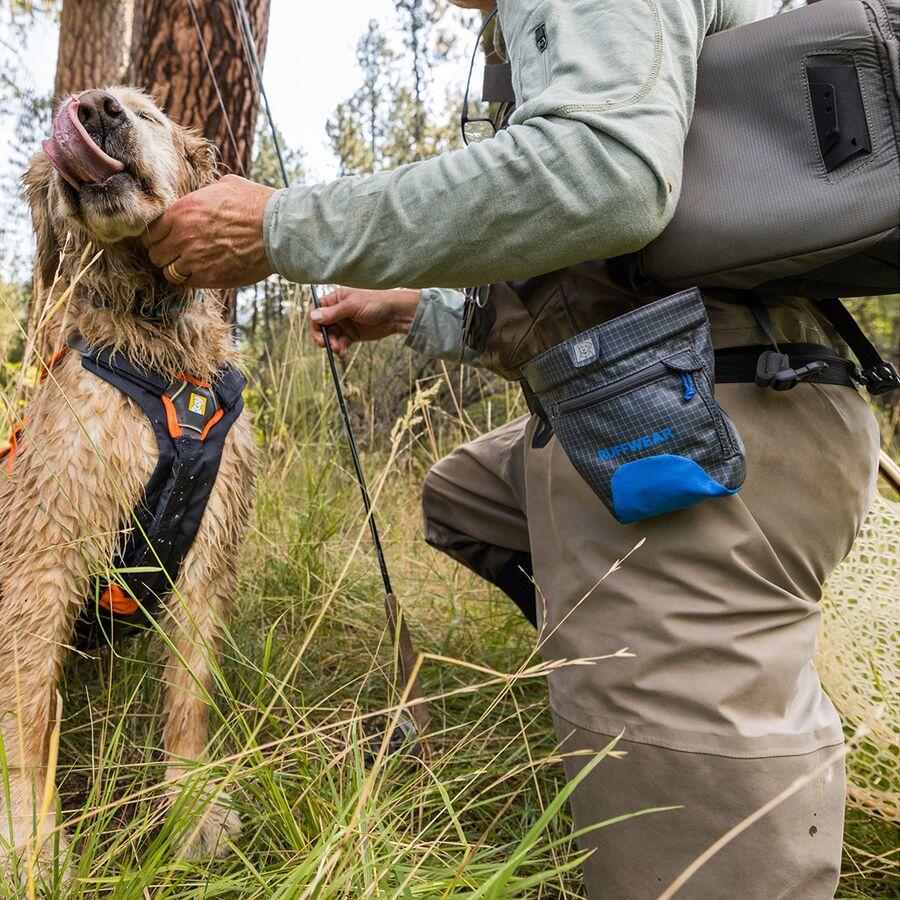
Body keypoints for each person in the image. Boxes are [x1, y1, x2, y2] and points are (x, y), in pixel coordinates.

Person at [139, 1, 881, 896]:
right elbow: (599, 284)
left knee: (693, 869)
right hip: (663, 389)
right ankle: (616, 671)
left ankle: (676, 687)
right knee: (464, 494)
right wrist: (418, 312)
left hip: (698, 421)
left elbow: (608, 176)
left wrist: (280, 227)